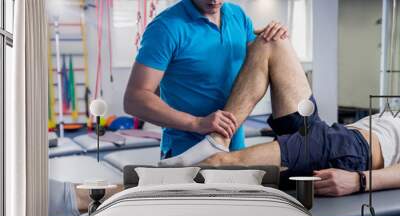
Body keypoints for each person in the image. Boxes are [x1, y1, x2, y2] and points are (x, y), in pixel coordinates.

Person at [159, 36, 400, 197]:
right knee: (271, 42)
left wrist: (359, 181)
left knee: (218, 164)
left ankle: (147, 190)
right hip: (333, 135)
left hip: (351, 152)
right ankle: (216, 140)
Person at [124, 0, 289, 159]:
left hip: (234, 150)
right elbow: (134, 99)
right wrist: (197, 123)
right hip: (186, 154)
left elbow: (255, 66)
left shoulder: (238, 16)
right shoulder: (165, 27)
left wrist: (271, 35)